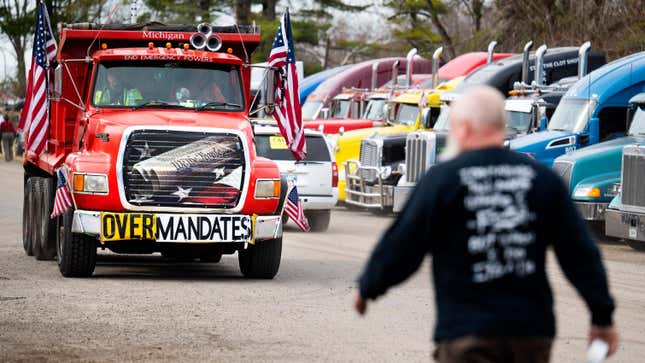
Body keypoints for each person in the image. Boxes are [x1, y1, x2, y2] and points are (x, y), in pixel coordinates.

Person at [354, 86, 618, 363]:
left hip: (468, 333)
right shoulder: (542, 179)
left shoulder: (443, 179)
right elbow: (579, 252)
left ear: (464, 128)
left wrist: (369, 286)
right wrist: (602, 316)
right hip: (530, 334)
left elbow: (403, 244)